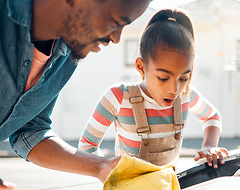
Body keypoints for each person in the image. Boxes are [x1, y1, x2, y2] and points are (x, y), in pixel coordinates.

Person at [0, 0, 150, 190]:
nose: (116, 38)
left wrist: (101, 167)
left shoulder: (68, 52)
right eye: (116, 22)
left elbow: (30, 130)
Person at [79, 9, 229, 172]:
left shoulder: (186, 95)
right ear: (141, 66)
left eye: (184, 78)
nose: (174, 89)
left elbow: (212, 117)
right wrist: (108, 171)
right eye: (163, 78)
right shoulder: (118, 97)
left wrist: (209, 146)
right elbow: (87, 145)